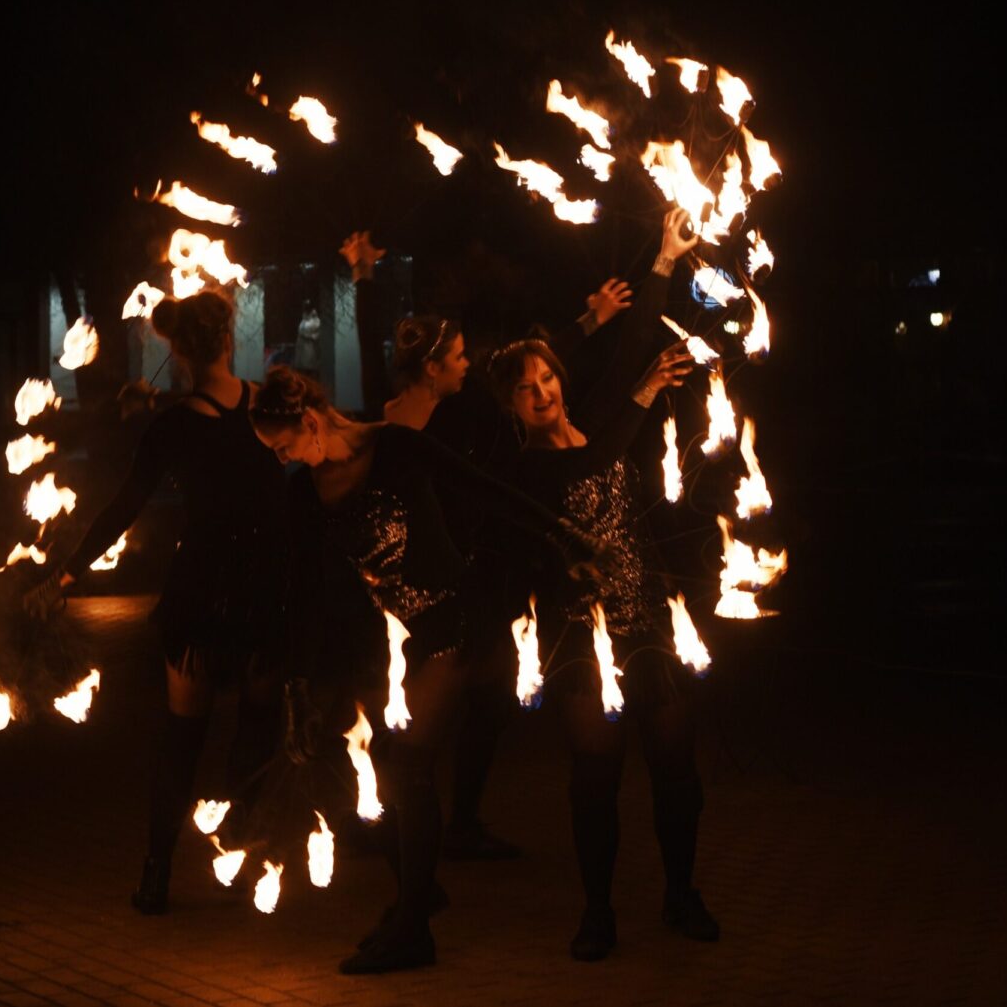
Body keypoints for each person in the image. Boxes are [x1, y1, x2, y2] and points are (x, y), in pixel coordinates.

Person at [250, 366, 596, 974]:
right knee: (369, 766)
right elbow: (300, 591)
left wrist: (561, 533)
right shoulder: (304, 493)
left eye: (283, 446)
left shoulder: (397, 446)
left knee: (408, 763)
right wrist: (297, 684)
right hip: (400, 638)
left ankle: (413, 929)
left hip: (457, 620)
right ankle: (421, 891)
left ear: (310, 422)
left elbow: (482, 488)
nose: (283, 459)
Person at [486, 206, 718, 962]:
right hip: (578, 632)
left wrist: (663, 261)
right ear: (513, 406)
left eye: (547, 375)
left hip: (647, 610)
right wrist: (644, 396)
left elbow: (634, 353)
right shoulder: (528, 469)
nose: (543, 390)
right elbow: (591, 460)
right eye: (526, 387)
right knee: (595, 774)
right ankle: (596, 910)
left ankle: (681, 893)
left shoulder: (596, 414)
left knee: (677, 767)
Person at [25, 288, 287, 916]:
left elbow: (123, 506)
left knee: (182, 737)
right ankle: (241, 849)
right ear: (227, 341)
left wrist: (66, 574)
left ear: (179, 349)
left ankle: (156, 871)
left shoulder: (170, 424)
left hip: (201, 589)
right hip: (262, 590)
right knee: (257, 726)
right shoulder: (268, 407)